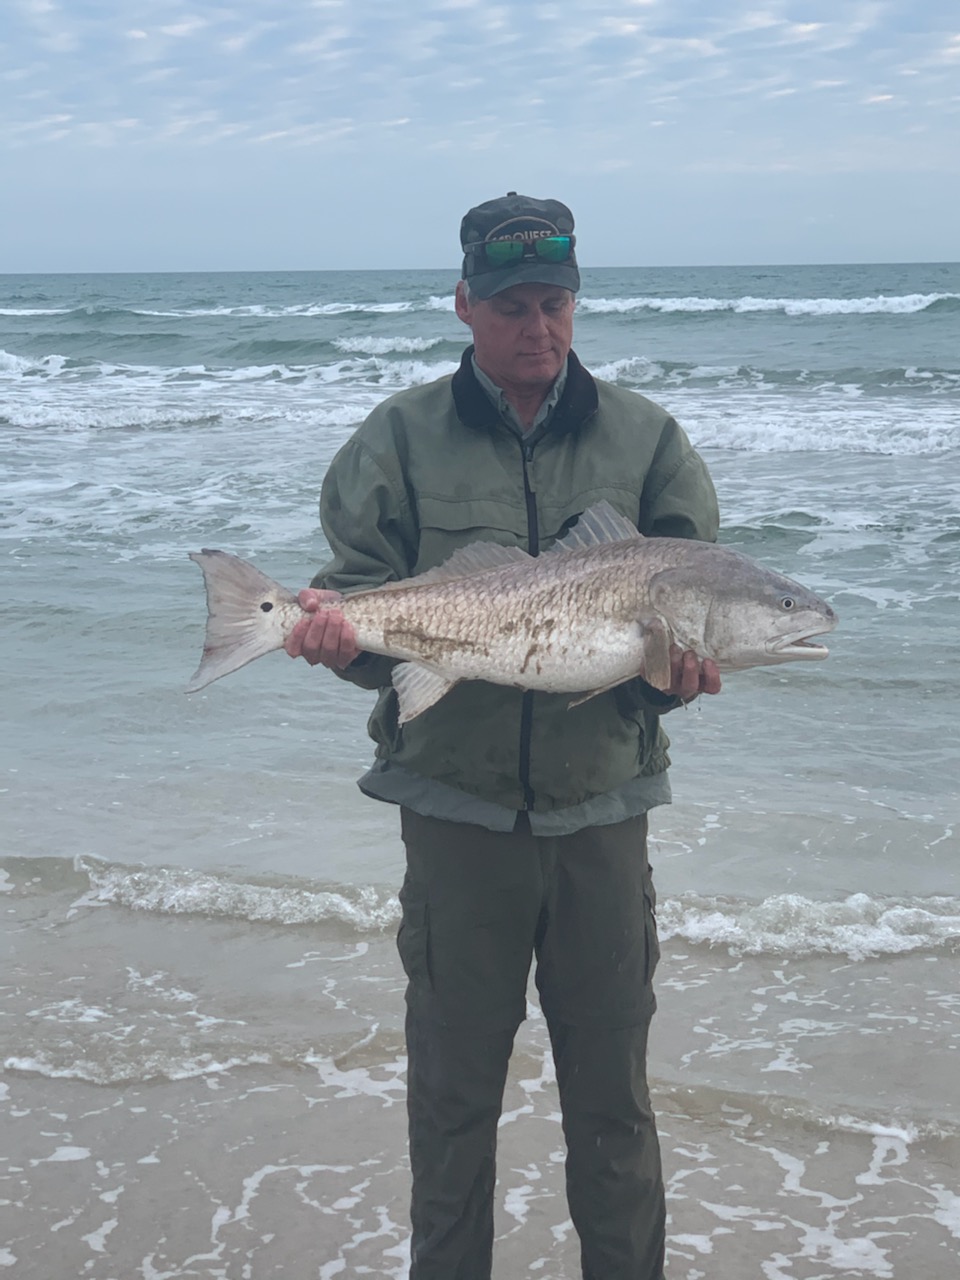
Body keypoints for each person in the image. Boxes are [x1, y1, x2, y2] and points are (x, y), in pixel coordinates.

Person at [286, 193, 721, 1280]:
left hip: (602, 820)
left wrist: (681, 682)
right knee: (451, 1108)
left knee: (614, 1111)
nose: (541, 326)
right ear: (466, 303)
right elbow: (364, 613)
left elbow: (688, 619)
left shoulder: (646, 438)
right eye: (516, 304)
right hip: (455, 819)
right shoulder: (397, 438)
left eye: (559, 302)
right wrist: (345, 644)